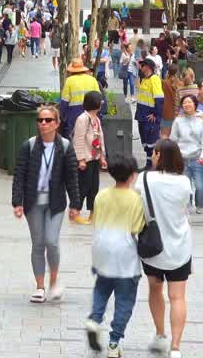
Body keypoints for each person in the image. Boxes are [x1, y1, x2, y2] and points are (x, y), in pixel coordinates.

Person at [10, 105, 81, 303]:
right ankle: (40, 286)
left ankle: (54, 281)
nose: (43, 123)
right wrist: (17, 202)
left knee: (52, 241)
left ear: (57, 124)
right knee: (38, 243)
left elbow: (72, 177)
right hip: (33, 202)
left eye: (48, 120)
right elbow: (20, 175)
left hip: (55, 202)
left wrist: (75, 204)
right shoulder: (29, 145)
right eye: (40, 120)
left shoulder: (65, 146)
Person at [84, 153, 143, 358]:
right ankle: (114, 342)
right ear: (132, 175)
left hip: (101, 249)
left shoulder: (101, 196)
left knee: (102, 288)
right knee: (125, 299)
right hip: (125, 253)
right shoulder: (135, 198)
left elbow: (96, 221)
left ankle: (95, 319)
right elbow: (136, 227)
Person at [139, 140, 194, 358]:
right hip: (180, 246)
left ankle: (160, 333)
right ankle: (176, 346)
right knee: (178, 296)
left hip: (153, 247)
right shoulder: (184, 182)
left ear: (159, 155)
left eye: (154, 153)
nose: (152, 156)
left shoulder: (144, 179)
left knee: (155, 289)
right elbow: (185, 209)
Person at [170, 95, 203, 214]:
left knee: (200, 186)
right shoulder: (178, 120)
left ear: (195, 104)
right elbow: (173, 139)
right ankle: (187, 204)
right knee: (184, 185)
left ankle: (200, 204)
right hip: (182, 158)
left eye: (189, 102)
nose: (187, 105)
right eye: (184, 103)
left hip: (198, 157)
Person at [72, 91, 108, 224]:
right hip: (85, 159)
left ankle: (93, 212)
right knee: (82, 187)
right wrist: (80, 159)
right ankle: (75, 212)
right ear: (96, 104)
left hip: (94, 158)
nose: (102, 103)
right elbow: (78, 139)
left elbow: (101, 139)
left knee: (94, 187)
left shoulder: (96, 119)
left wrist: (102, 157)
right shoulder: (83, 119)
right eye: (100, 101)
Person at [59, 58, 101, 139]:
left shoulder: (69, 80)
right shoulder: (92, 79)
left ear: (72, 71)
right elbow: (99, 98)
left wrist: (63, 117)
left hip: (74, 114)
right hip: (91, 114)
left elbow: (64, 102)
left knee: (76, 139)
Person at [134, 58, 165, 167]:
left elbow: (159, 99)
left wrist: (156, 115)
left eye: (142, 65)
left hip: (149, 117)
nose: (140, 68)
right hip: (142, 116)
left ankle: (151, 165)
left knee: (151, 142)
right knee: (145, 142)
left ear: (147, 67)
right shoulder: (144, 79)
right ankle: (149, 163)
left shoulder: (154, 79)